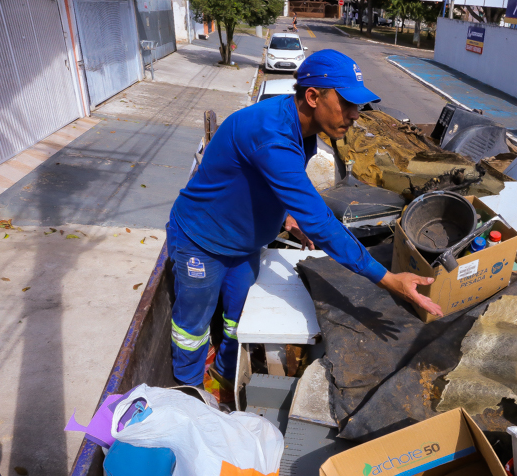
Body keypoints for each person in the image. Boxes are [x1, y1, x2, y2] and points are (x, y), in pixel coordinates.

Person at [167, 49, 443, 406]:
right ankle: (186, 394)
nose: (355, 116)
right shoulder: (272, 135)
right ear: (313, 97)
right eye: (346, 104)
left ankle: (223, 372)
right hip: (202, 239)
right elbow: (321, 222)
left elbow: (265, 181)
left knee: (237, 320)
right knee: (192, 325)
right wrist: (389, 280)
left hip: (243, 244)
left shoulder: (302, 128)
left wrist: (287, 217)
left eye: (357, 106)